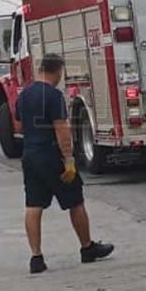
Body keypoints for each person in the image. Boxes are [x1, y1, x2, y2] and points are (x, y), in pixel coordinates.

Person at [17, 54, 114, 273]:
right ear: (57, 71)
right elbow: (61, 129)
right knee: (75, 201)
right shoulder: (53, 95)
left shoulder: (24, 95)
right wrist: (69, 159)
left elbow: (19, 125)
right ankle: (87, 248)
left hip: (30, 156)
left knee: (33, 206)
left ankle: (36, 258)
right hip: (52, 156)